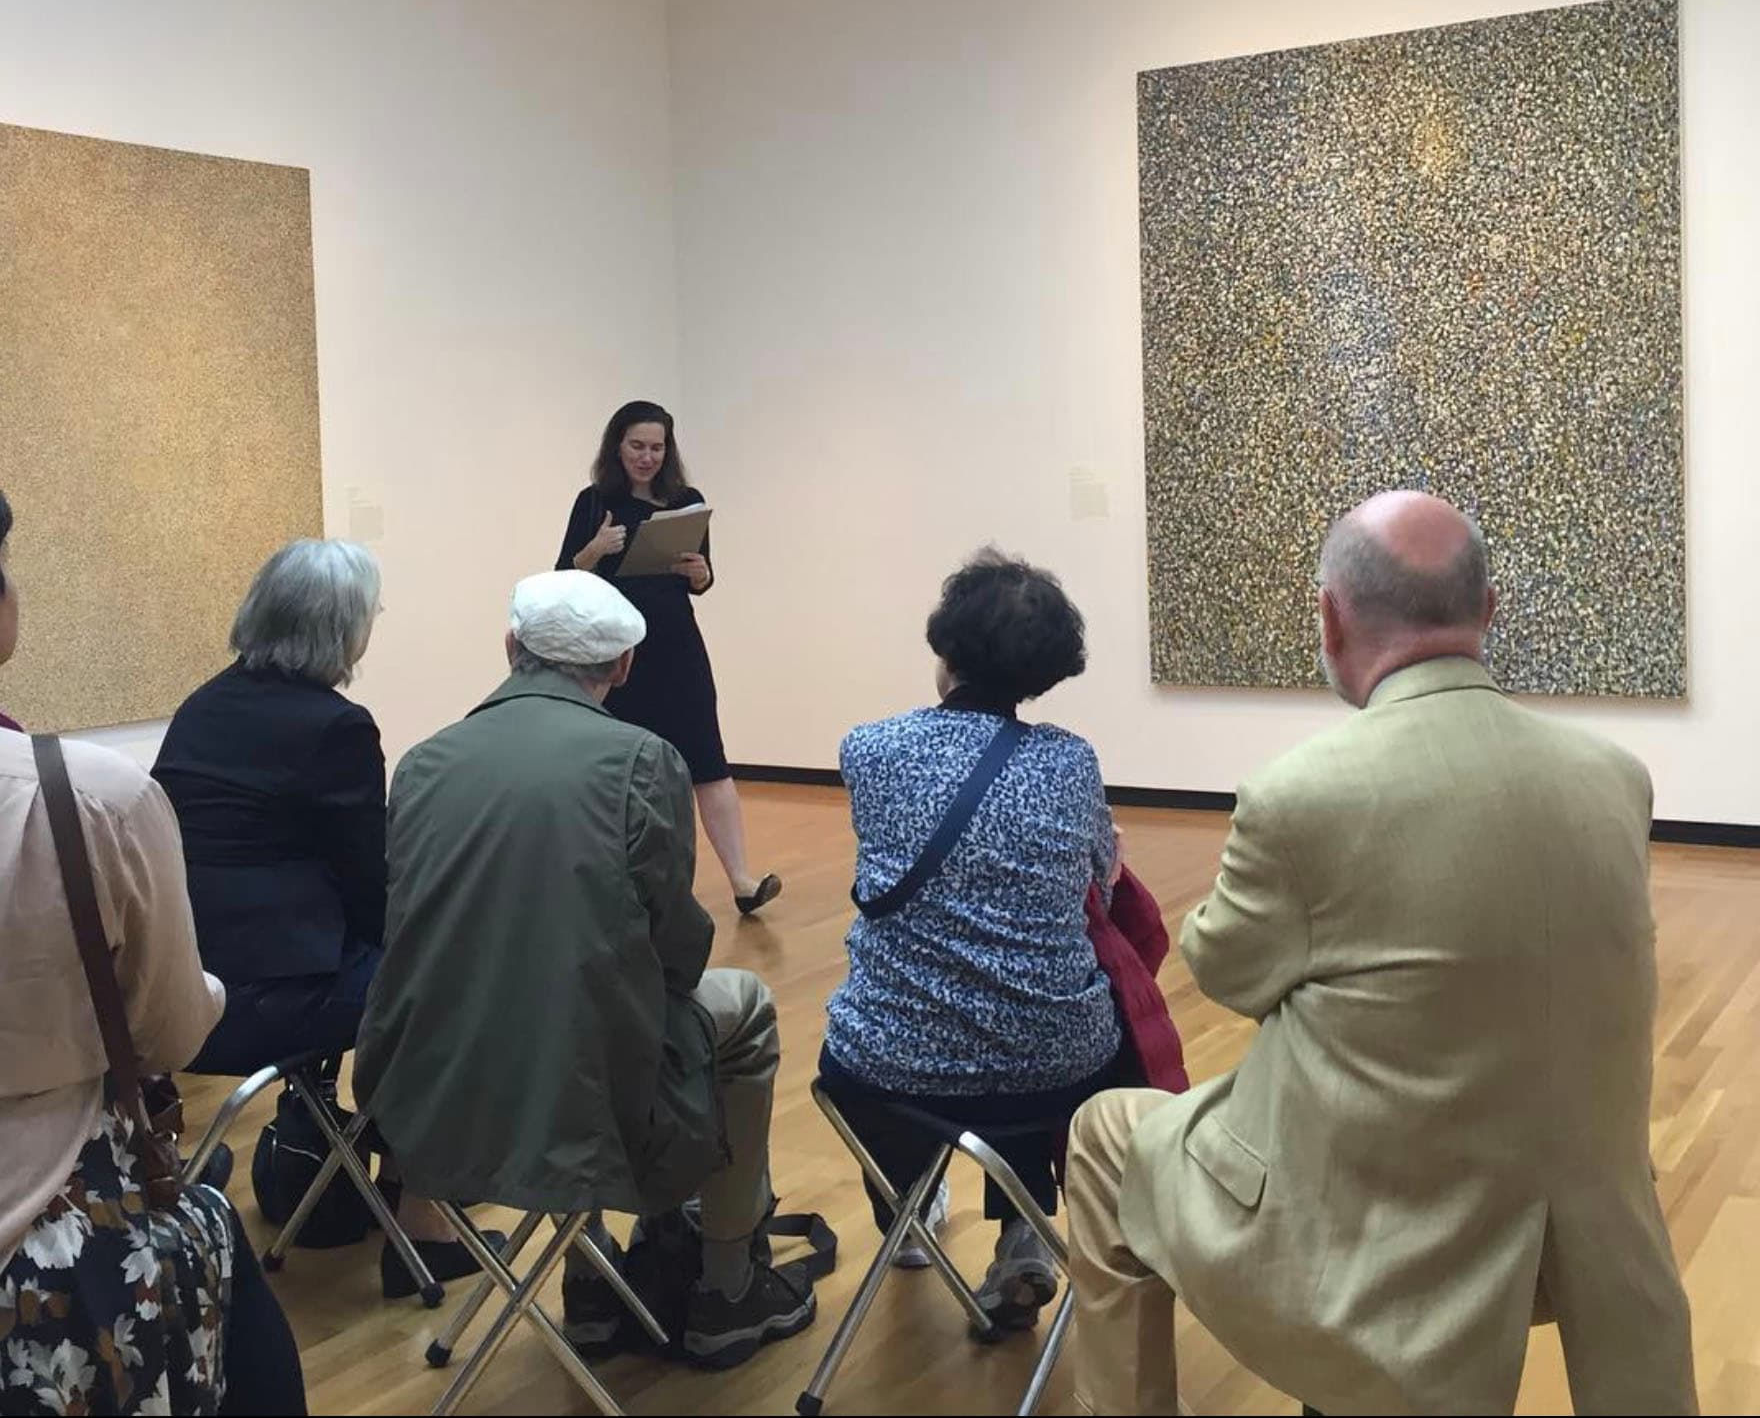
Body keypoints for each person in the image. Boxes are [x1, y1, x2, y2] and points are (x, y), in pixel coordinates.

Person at [1064, 491, 1698, 1417]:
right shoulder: (1616, 778)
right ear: (1488, 610)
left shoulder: (1298, 796)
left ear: (1330, 615)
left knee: (1104, 1133)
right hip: (1583, 1231)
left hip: (1392, 1240)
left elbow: (1226, 973)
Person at [352, 570, 816, 1369]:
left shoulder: (423, 761)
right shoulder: (642, 759)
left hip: (427, 1093)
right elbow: (676, 952)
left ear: (510, 649)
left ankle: (593, 1282)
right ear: (624, 667)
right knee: (741, 1009)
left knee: (560, 997)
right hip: (585, 1095)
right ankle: (728, 1282)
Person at [0, 486, 307, 1415]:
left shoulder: (183, 729)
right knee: (213, 1246)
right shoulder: (88, 800)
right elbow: (172, 1031)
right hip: (42, 1229)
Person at [150, 538, 474, 1296]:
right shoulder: (337, 726)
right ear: (342, 630)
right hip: (267, 1003)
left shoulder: (205, 703)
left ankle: (348, 1168)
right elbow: (372, 883)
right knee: (438, 986)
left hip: (181, 995)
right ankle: (419, 1215)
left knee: (393, 970)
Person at [820, 549, 1132, 1331]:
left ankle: (910, 1210)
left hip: (892, 1061)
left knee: (892, 1047)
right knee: (1018, 1025)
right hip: (1055, 1062)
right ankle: (1023, 1230)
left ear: (945, 647)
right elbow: (1105, 882)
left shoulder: (869, 748)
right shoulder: (1071, 761)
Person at [556, 400, 779, 915]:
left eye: (657, 447)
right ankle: (612, 882)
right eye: (638, 445)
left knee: (708, 758)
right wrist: (596, 549)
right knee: (618, 768)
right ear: (618, 445)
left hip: (677, 646)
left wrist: (699, 572)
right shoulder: (593, 502)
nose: (647, 456)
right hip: (616, 652)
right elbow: (564, 577)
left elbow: (703, 579)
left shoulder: (687, 500)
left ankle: (743, 882)